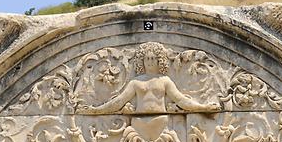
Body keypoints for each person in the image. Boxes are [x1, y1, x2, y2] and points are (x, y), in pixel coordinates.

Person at [79, 42, 220, 115]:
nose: (150, 61)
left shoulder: (165, 80)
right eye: (147, 58)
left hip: (162, 121)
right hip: (138, 123)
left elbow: (180, 100)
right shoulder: (135, 82)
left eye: (153, 58)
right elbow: (119, 101)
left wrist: (203, 107)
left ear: (160, 61)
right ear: (141, 60)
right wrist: (96, 110)